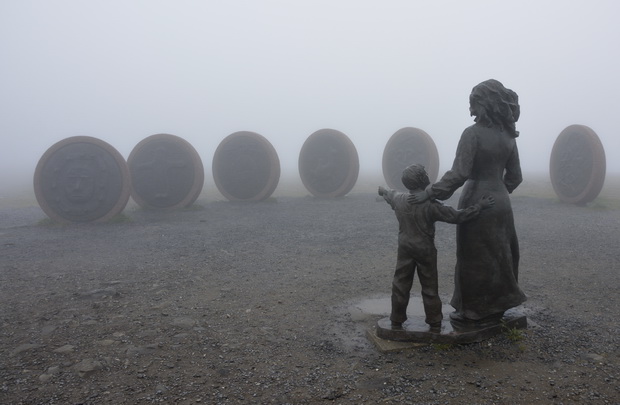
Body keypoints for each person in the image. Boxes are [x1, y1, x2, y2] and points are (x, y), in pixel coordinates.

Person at [409, 79, 527, 325]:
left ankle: (474, 311)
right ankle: (497, 307)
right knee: (501, 255)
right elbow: (515, 177)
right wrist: (498, 191)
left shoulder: (472, 134)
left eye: (473, 104)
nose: (471, 110)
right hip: (501, 203)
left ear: (485, 104)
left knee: (474, 257)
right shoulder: (508, 137)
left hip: (476, 200)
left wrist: (429, 192)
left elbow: (459, 174)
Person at [378, 164, 494, 330]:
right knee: (429, 287)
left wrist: (382, 190)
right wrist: (480, 207)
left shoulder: (399, 199)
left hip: (405, 247)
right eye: (424, 174)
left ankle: (396, 320)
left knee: (400, 285)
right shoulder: (431, 206)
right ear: (422, 180)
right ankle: (434, 321)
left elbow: (389, 194)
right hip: (424, 250)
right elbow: (457, 216)